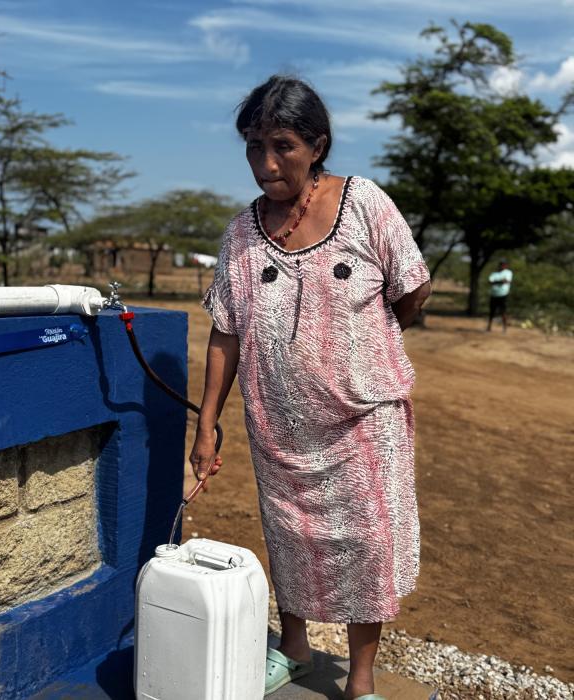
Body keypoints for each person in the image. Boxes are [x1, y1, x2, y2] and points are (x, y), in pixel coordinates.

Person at [190, 75, 431, 700]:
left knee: (367, 545)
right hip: (277, 426)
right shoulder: (241, 234)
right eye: (252, 147)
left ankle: (361, 680)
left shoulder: (366, 203)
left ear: (317, 146)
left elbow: (412, 287)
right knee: (289, 537)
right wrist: (205, 421)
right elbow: (225, 332)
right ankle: (293, 650)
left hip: (361, 421)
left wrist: (360, 341)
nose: (265, 164)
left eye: (282, 146)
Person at [487, 260, 513, 333]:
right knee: (492, 311)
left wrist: (495, 282)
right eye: (501, 265)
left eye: (504, 265)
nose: (502, 266)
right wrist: (501, 281)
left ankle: (505, 328)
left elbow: (507, 281)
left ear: (506, 266)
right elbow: (490, 281)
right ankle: (489, 327)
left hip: (503, 294)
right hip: (494, 294)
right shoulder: (494, 273)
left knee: (503, 312)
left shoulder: (508, 273)